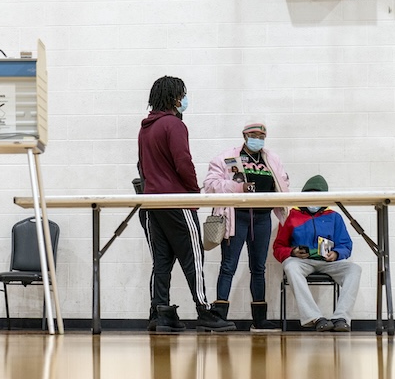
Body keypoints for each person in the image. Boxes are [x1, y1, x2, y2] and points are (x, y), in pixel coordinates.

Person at [136, 76, 234, 333]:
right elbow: (183, 163)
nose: (184, 99)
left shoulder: (145, 127)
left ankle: (159, 313)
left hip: (151, 202)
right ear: (173, 98)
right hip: (177, 200)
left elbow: (142, 166)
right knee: (194, 257)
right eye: (182, 95)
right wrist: (193, 191)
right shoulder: (174, 125)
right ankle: (204, 310)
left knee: (162, 261)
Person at [203, 122, 291, 332]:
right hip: (237, 216)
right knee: (228, 266)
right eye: (253, 135)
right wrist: (238, 186)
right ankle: (219, 316)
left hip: (262, 217)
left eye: (261, 135)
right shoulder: (227, 157)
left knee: (258, 268)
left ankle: (259, 320)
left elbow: (284, 182)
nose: (257, 138)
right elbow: (210, 184)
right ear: (244, 136)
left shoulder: (272, 159)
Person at [272, 175, 361, 332]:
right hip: (302, 262)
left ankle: (341, 318)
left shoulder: (334, 217)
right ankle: (315, 318)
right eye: (309, 194)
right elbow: (278, 247)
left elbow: (346, 245)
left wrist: (336, 253)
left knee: (354, 269)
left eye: (318, 195)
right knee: (291, 267)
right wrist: (292, 252)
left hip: (328, 262)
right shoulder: (290, 216)